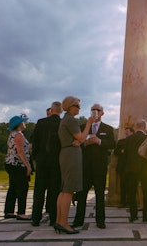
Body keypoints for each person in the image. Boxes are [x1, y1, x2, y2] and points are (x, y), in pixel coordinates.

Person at [55, 96, 95, 234]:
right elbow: (82, 137)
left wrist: (78, 141)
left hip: (67, 153)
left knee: (64, 190)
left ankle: (59, 221)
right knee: (68, 191)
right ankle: (64, 223)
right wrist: (89, 123)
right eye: (77, 106)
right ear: (70, 106)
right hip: (71, 156)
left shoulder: (65, 119)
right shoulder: (70, 120)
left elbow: (77, 139)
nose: (79, 108)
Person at [72, 104, 116, 229]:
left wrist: (99, 141)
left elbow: (113, 144)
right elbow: (76, 144)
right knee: (81, 195)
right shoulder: (82, 127)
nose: (95, 112)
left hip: (100, 167)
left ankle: (100, 221)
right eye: (93, 110)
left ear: (102, 113)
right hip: (85, 166)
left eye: (98, 110)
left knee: (100, 195)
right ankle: (78, 220)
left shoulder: (107, 128)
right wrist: (86, 142)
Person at [31, 101, 62, 227]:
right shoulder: (61, 124)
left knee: (39, 190)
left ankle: (36, 218)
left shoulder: (41, 122)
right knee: (54, 190)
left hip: (42, 160)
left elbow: (35, 141)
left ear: (51, 110)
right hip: (56, 161)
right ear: (61, 110)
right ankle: (53, 218)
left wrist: (37, 157)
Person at [123, 119, 147, 223]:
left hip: (131, 169)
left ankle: (133, 215)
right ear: (145, 127)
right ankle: (146, 216)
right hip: (145, 169)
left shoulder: (129, 139)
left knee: (132, 193)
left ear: (136, 127)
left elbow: (125, 155)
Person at [4, 114, 32, 220]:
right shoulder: (19, 135)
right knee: (22, 187)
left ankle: (9, 211)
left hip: (10, 164)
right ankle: (21, 212)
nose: (25, 124)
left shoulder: (12, 134)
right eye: (23, 122)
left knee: (13, 187)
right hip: (17, 165)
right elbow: (20, 152)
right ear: (20, 124)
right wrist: (28, 165)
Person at [114, 126, 134, 208]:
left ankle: (130, 202)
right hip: (122, 167)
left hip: (131, 167)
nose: (126, 133)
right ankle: (123, 202)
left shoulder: (134, 141)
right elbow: (115, 152)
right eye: (125, 132)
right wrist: (121, 151)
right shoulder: (121, 141)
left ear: (132, 132)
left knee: (131, 186)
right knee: (123, 186)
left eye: (128, 131)